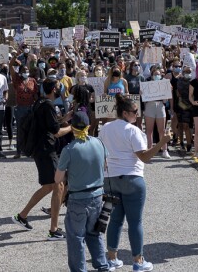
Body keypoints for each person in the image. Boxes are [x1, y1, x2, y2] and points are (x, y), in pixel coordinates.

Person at [99, 95, 169, 272]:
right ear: (125, 113)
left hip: (111, 179)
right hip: (132, 178)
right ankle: (138, 261)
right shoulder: (133, 131)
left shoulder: (106, 128)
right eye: (134, 112)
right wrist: (162, 142)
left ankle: (112, 258)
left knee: (114, 220)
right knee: (135, 222)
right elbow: (144, 157)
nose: (137, 115)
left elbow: (102, 152)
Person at [13, 78, 72, 240]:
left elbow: (50, 124)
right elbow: (55, 132)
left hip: (42, 149)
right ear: (54, 89)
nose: (60, 89)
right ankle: (53, 230)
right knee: (59, 185)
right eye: (59, 87)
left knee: (49, 186)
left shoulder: (41, 102)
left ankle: (22, 216)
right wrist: (73, 127)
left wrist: (64, 119)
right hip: (46, 150)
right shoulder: (48, 105)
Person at [56, 110, 109, 272]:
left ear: (72, 127)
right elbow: (105, 166)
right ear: (88, 125)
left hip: (78, 198)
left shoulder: (69, 149)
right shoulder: (98, 143)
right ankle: (102, 266)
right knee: (94, 234)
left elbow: (58, 179)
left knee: (75, 237)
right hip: (98, 195)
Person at [12, 66, 39, 158]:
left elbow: (35, 94)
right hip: (20, 108)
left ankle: (29, 151)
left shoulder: (32, 81)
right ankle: (18, 151)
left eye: (27, 70)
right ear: (20, 72)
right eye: (23, 70)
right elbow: (11, 68)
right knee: (20, 130)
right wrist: (15, 58)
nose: (26, 72)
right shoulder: (17, 81)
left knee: (31, 129)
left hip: (30, 108)